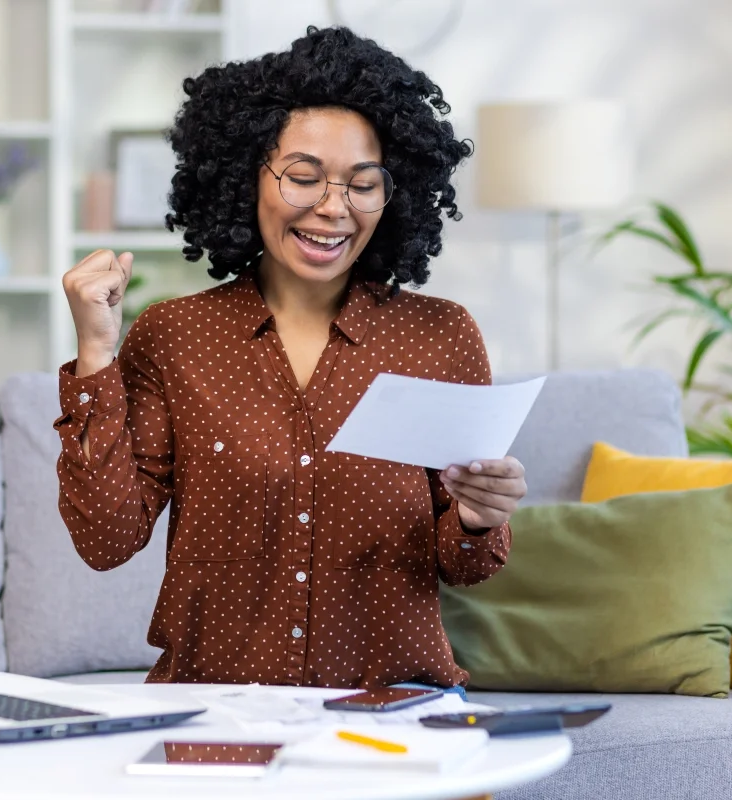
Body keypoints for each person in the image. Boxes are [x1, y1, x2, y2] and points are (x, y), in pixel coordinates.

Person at [56, 26, 527, 690]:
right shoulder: (175, 336)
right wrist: (96, 354)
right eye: (304, 177)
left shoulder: (440, 338)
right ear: (245, 175)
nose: (333, 208)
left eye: (363, 184)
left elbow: (466, 563)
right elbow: (106, 540)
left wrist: (480, 516)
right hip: (217, 719)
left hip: (392, 718)